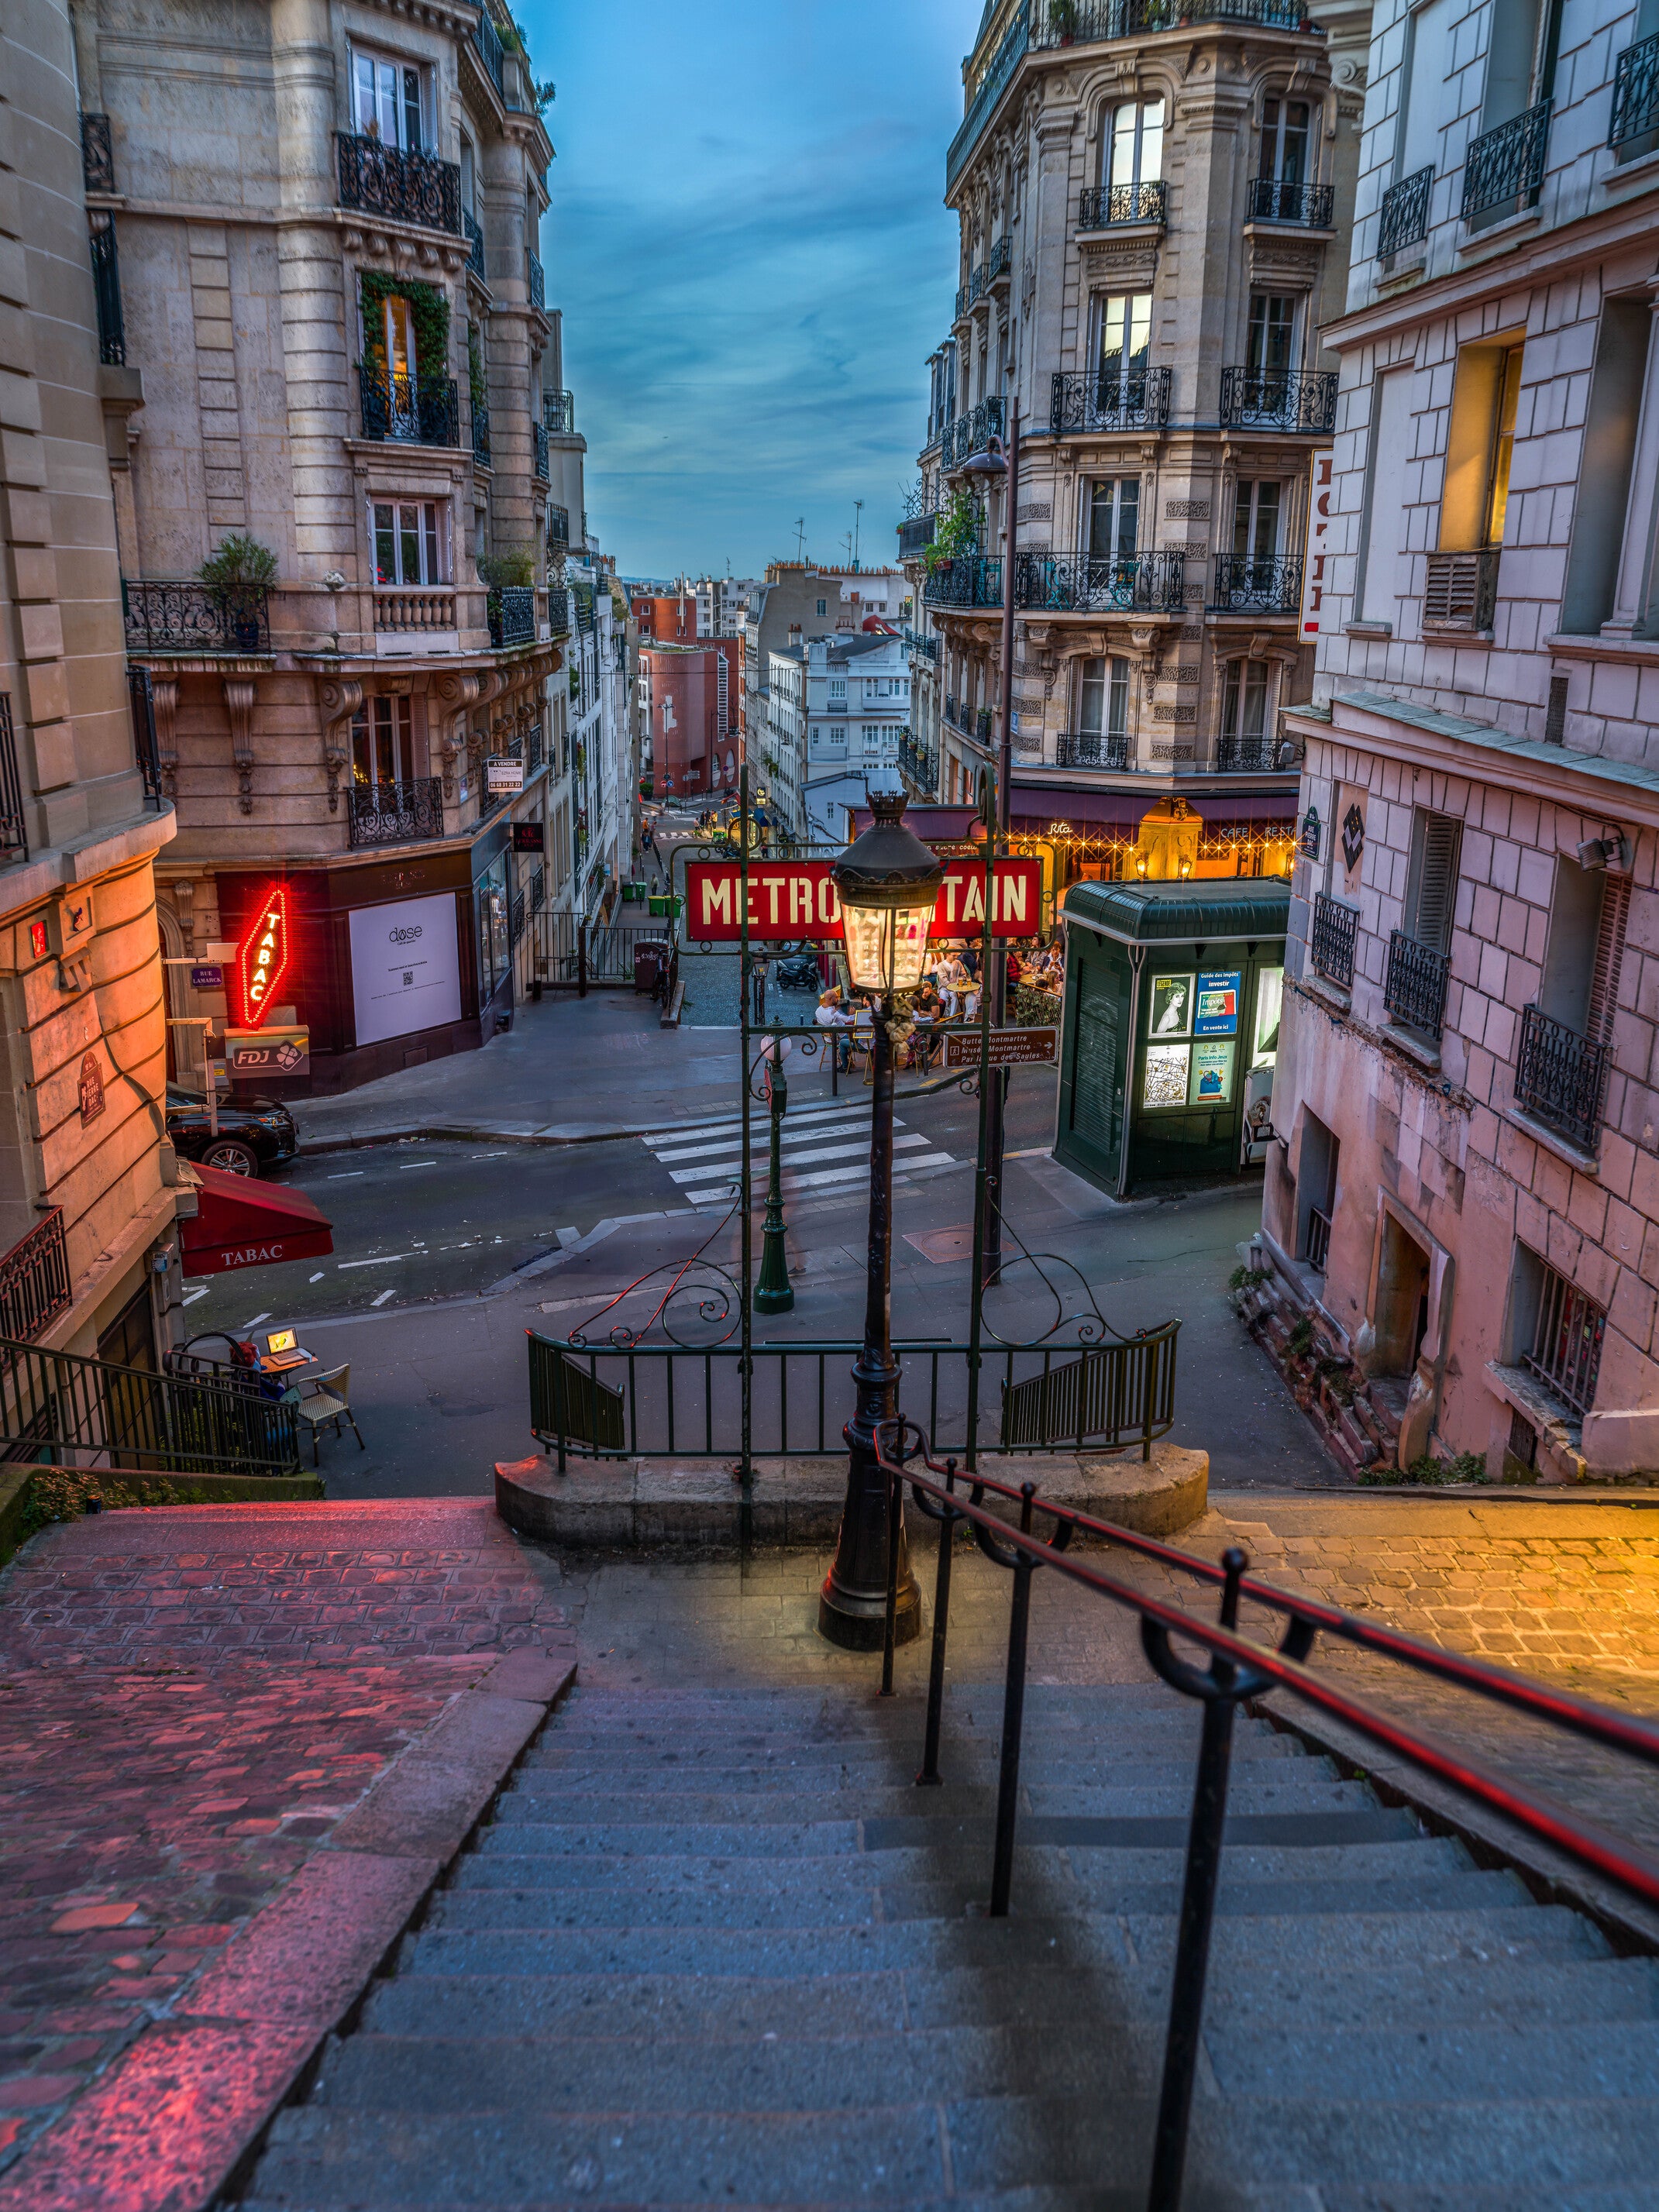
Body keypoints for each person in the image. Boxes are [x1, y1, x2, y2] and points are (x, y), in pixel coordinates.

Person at [815, 986, 855, 1072]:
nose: (838, 999)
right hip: (837, 1038)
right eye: (836, 997)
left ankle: (846, 1060)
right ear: (830, 999)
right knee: (856, 1040)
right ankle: (846, 1061)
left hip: (827, 1038)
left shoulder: (818, 1010)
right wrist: (851, 1014)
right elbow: (847, 1019)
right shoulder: (833, 1012)